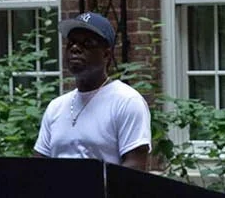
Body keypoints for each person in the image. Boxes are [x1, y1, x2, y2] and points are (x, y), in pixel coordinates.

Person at [34, 12, 152, 169]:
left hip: (104, 194)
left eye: (87, 43)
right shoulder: (55, 107)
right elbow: (37, 167)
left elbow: (135, 167)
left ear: (106, 55)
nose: (75, 48)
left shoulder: (127, 101)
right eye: (71, 43)